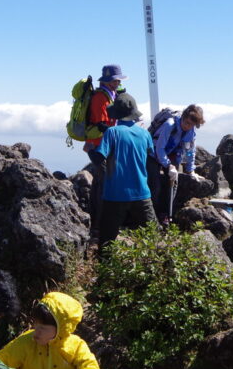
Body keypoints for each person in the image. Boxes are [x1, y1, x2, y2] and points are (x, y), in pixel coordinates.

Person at [89, 93, 157, 243]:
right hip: (142, 193)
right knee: (153, 238)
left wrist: (90, 149)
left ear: (116, 114)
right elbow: (150, 153)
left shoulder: (111, 132)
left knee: (107, 241)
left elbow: (99, 158)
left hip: (115, 194)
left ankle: (105, 265)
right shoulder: (145, 134)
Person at [84, 64, 128, 239]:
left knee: (100, 183)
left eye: (119, 80)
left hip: (102, 146)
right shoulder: (100, 98)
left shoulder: (109, 95)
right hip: (99, 147)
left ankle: (95, 222)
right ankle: (100, 226)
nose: (118, 83)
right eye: (116, 80)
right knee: (105, 184)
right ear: (109, 81)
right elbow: (103, 125)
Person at [147, 104, 205, 224]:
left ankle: (165, 215)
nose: (187, 126)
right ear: (183, 117)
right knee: (155, 185)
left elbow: (190, 150)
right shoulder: (170, 124)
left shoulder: (191, 131)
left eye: (191, 124)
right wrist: (169, 166)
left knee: (172, 184)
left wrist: (190, 170)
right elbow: (159, 148)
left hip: (171, 154)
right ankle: (152, 217)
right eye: (186, 122)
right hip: (152, 154)